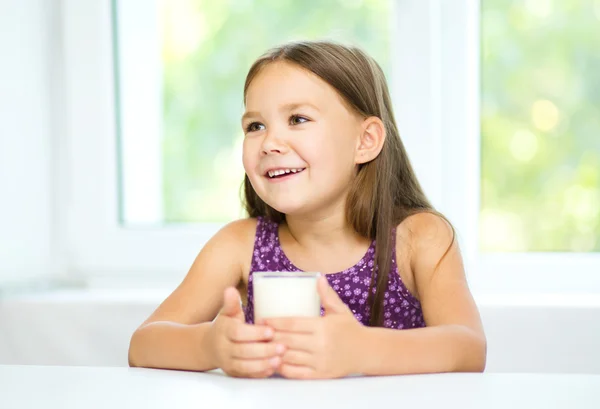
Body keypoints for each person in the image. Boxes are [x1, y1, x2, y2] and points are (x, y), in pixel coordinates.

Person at [128, 41, 486, 379]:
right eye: (256, 126)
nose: (270, 142)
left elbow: (469, 349)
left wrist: (361, 350)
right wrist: (209, 347)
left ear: (365, 141)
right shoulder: (238, 246)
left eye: (298, 119)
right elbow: (143, 345)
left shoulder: (420, 238)